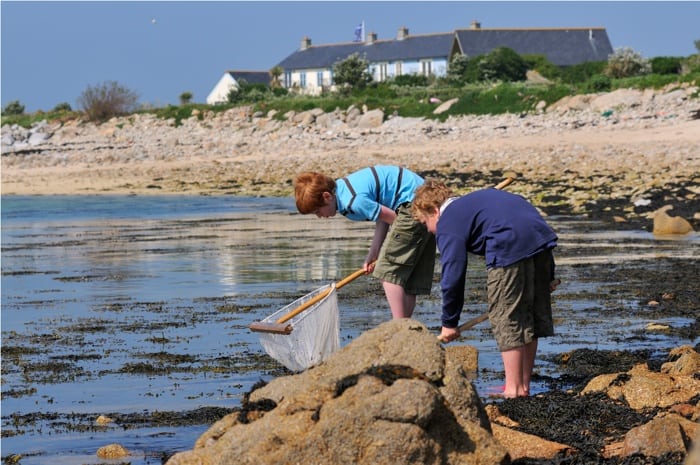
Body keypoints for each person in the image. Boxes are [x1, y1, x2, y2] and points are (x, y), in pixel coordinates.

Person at [412, 179, 559, 398]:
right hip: (540, 241)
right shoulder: (473, 203)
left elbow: (453, 275)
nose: (429, 230)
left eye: (425, 223)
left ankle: (513, 389)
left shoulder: (448, 221)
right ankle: (523, 386)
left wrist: (449, 323)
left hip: (508, 244)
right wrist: (548, 277)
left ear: (434, 210)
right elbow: (528, 223)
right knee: (527, 316)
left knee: (506, 317)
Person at [294, 165, 436, 319]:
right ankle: (406, 325)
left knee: (387, 273)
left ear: (327, 196)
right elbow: (383, 216)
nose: (319, 216)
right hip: (419, 202)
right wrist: (373, 254)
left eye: (317, 211)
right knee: (405, 278)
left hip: (415, 205)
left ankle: (399, 324)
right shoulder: (343, 190)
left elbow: (395, 221)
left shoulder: (353, 201)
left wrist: (385, 255)